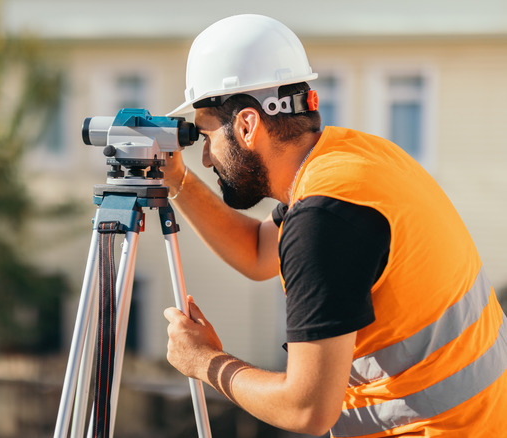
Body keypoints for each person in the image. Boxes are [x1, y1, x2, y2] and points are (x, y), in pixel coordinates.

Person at [162, 14, 507, 437]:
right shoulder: (356, 158)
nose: (207, 158)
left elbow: (306, 409)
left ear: (247, 126)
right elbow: (256, 251)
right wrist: (176, 180)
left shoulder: (325, 218)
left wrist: (203, 362)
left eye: (206, 136)